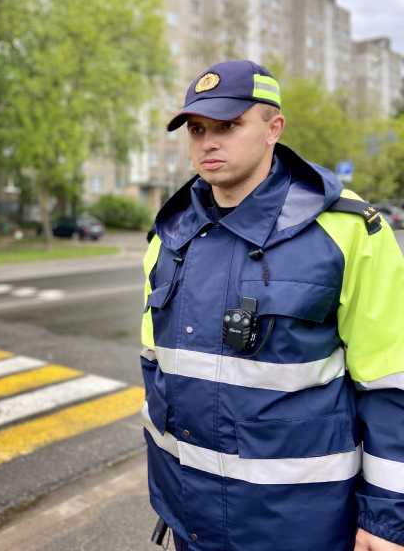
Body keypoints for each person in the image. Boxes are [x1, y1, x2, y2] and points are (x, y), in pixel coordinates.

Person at [140, 60, 404, 551]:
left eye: (228, 125)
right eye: (197, 129)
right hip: (191, 524)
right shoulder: (169, 237)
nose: (208, 142)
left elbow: (391, 388)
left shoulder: (346, 231)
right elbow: (159, 374)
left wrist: (386, 521)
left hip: (301, 526)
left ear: (273, 129)